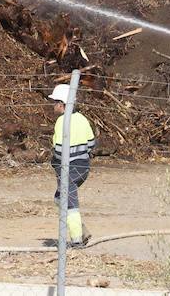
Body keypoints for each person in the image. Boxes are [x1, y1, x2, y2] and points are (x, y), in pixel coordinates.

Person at [48, 82, 96, 247]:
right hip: (83, 166)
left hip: (68, 168)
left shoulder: (62, 122)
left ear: (61, 105)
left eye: (55, 102)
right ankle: (81, 230)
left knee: (69, 204)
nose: (53, 105)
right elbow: (91, 143)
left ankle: (77, 239)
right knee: (59, 198)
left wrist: (56, 161)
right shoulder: (82, 119)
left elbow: (59, 151)